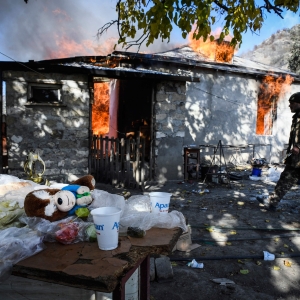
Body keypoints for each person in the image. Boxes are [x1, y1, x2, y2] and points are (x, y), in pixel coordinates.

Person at [257, 92, 300, 211]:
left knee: (286, 178)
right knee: (285, 178)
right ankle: (272, 203)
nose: (289, 106)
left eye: (292, 103)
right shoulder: (297, 116)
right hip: (296, 159)